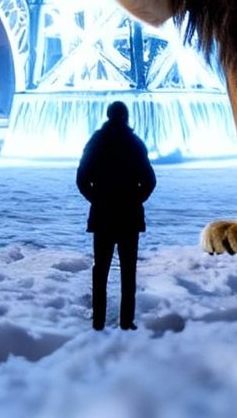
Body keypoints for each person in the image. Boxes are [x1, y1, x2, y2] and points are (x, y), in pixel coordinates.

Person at [76, 101, 156, 330]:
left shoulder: (96, 142)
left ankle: (98, 321)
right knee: (128, 271)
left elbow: (82, 179)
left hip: (103, 216)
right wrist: (135, 199)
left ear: (108, 115)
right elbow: (150, 180)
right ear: (126, 117)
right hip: (129, 216)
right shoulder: (134, 143)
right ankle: (126, 321)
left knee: (100, 270)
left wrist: (98, 199)